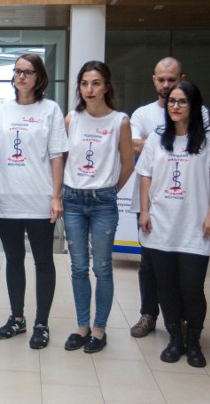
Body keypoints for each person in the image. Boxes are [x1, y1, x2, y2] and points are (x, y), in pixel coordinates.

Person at [137, 81, 210, 367]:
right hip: (161, 225)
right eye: (171, 102)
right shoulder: (157, 138)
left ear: (194, 106)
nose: (175, 106)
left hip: (195, 226)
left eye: (182, 101)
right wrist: (144, 211)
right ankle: (175, 339)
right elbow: (145, 176)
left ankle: (193, 339)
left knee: (192, 287)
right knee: (165, 286)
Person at [0, 54, 67, 350]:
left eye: (28, 72)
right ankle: (17, 318)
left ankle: (41, 324)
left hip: (39, 200)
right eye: (17, 71)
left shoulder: (50, 110)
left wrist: (56, 196)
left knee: (43, 261)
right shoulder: (2, 111)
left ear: (39, 77)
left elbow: (57, 156)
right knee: (13, 260)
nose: (21, 77)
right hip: (7, 198)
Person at [129, 57, 210, 338]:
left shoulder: (201, 112)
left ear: (182, 79)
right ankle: (149, 314)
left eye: (171, 80)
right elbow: (134, 145)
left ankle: (184, 321)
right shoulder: (142, 113)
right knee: (149, 265)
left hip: (186, 206)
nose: (166, 85)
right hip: (149, 201)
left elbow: (196, 143)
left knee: (183, 267)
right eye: (161, 80)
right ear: (154, 80)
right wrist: (157, 140)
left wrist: (152, 141)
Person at [62, 60, 133, 353]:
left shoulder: (120, 121)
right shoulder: (71, 119)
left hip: (103, 201)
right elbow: (63, 161)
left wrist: (109, 190)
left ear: (106, 86)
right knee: (78, 267)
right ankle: (82, 326)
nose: (89, 89)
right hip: (73, 200)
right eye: (84, 83)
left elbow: (128, 165)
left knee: (102, 268)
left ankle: (100, 329)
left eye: (95, 83)